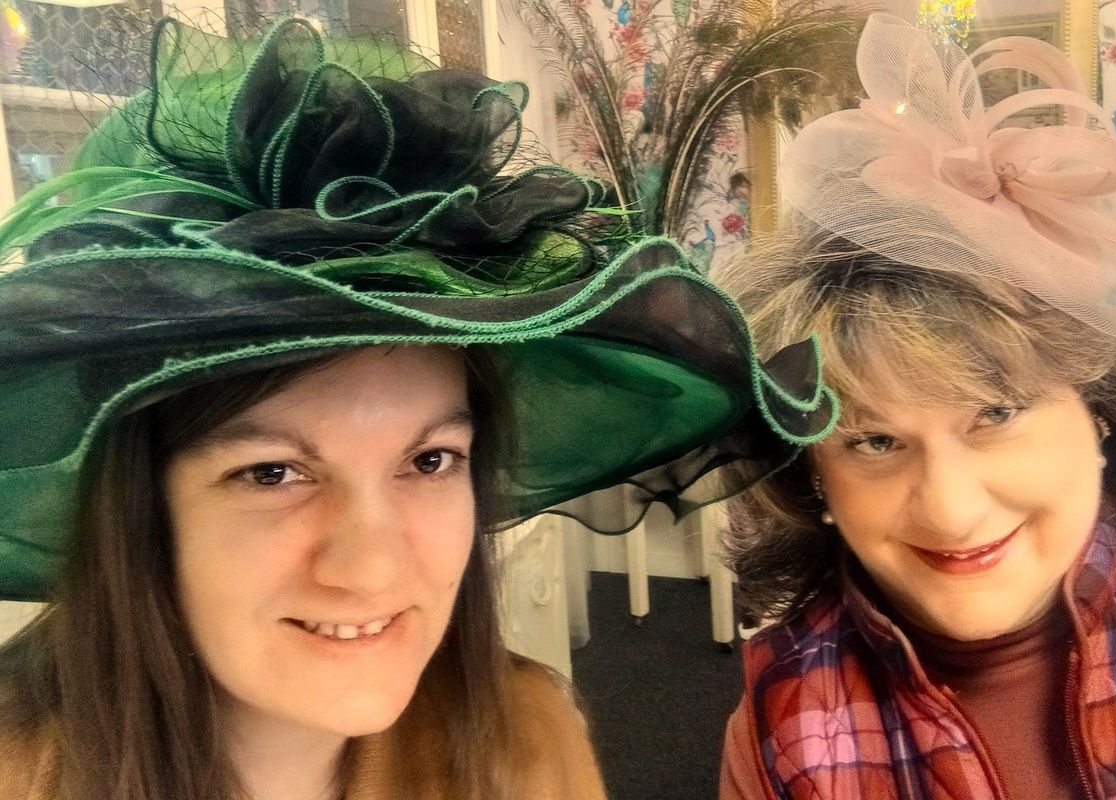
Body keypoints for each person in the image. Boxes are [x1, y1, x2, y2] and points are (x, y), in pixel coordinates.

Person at [0, 17, 832, 800]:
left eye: (430, 460)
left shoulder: (523, 749)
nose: (371, 570)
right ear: (139, 503)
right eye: (272, 472)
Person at [715, 13, 1116, 800]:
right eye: (874, 442)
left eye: (995, 414)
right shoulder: (781, 731)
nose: (951, 511)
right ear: (814, 474)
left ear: (1099, 411)